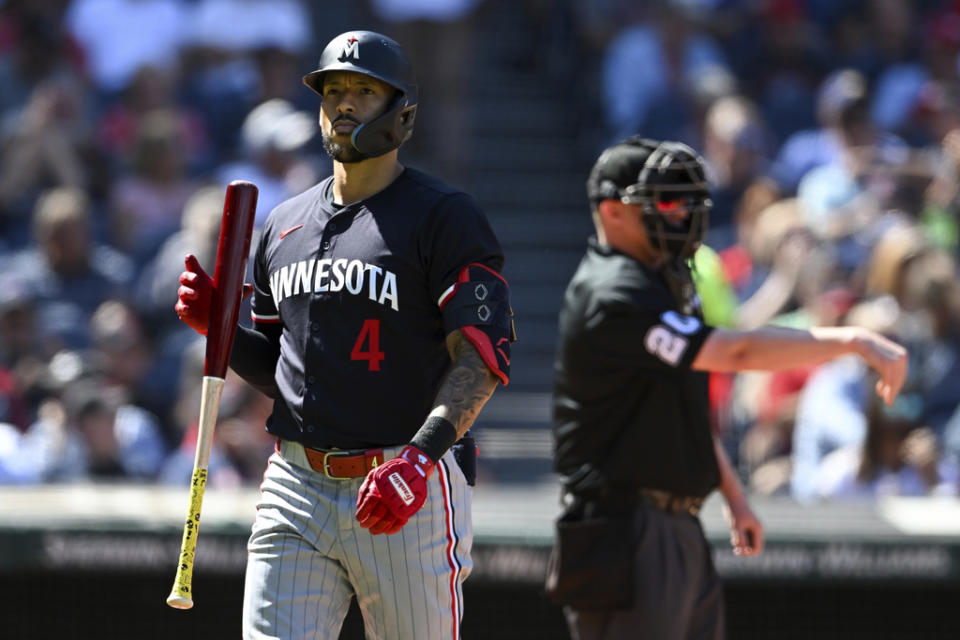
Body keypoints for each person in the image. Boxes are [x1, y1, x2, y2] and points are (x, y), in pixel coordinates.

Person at [174, 30, 514, 640]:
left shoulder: (444, 215)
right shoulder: (283, 224)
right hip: (296, 484)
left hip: (405, 482)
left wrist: (420, 456)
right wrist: (217, 330)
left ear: (400, 111)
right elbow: (283, 369)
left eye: (363, 89)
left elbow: (481, 359)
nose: (344, 103)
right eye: (333, 90)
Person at [546, 136, 908, 640]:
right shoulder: (612, 291)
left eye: (688, 201)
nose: (682, 215)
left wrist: (734, 497)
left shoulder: (664, 283)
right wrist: (850, 340)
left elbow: (680, 406)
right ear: (614, 213)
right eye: (667, 202)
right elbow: (736, 352)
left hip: (675, 524)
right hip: (625, 530)